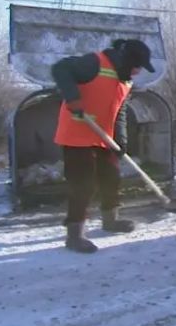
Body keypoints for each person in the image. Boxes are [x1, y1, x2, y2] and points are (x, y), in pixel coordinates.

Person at [51, 38, 156, 254]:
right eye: (137, 66)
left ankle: (110, 220)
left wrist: (121, 139)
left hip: (103, 136)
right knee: (83, 184)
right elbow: (60, 68)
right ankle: (74, 235)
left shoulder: (126, 80)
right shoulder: (95, 63)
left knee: (112, 178)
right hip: (77, 134)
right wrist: (73, 98)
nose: (137, 72)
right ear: (128, 60)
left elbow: (120, 111)